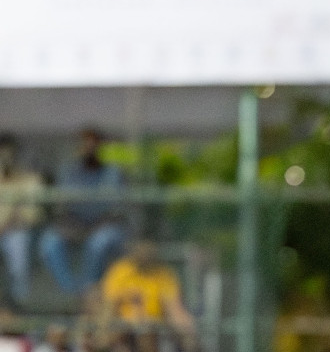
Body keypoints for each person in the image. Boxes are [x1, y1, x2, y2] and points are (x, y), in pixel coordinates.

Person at [39, 129, 126, 294]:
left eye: (94, 145)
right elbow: (64, 203)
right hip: (75, 224)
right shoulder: (69, 171)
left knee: (97, 242)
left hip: (105, 225)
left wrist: (95, 221)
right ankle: (71, 291)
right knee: (49, 242)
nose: (90, 149)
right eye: (86, 145)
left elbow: (112, 206)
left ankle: (89, 292)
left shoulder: (112, 172)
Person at [98, 240, 194, 330]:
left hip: (154, 330)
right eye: (142, 245)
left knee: (147, 330)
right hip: (123, 330)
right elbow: (108, 306)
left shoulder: (163, 275)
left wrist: (186, 328)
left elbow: (175, 308)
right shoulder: (119, 272)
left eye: (149, 245)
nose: (145, 250)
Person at [0, 134, 43, 306]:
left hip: (16, 232)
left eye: (9, 155)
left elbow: (33, 215)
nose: (5, 159)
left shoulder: (29, 179)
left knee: (18, 247)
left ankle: (20, 304)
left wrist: (11, 219)